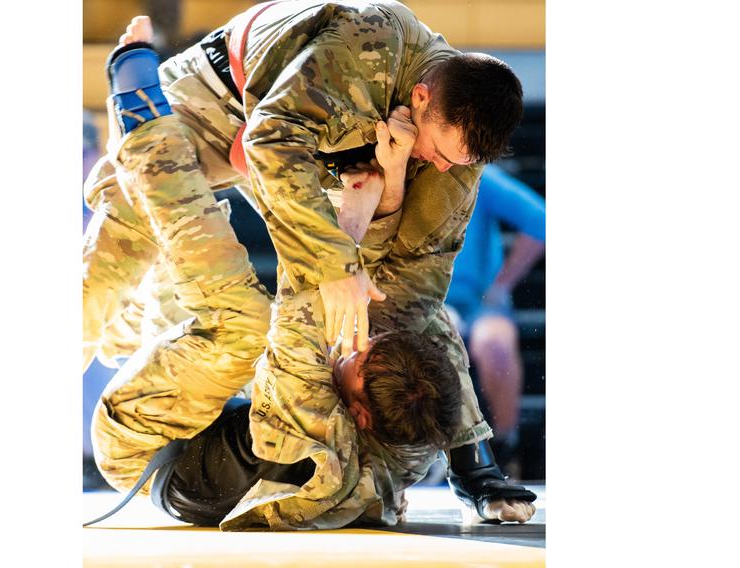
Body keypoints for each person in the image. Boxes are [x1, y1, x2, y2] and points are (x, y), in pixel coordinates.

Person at [84, 1, 535, 528]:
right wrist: (472, 459)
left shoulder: (453, 152)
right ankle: (128, 314)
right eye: (439, 151)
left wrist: (364, 222)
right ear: (420, 98)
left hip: (304, 152)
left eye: (456, 162)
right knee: (98, 294)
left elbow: (404, 296)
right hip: (220, 109)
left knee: (239, 320)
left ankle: (144, 141)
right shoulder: (366, 44)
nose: (440, 166)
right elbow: (268, 140)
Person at [445, 165, 545, 473]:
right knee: (436, 340)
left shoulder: (478, 175)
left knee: (495, 347)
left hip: (480, 302)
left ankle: (505, 445)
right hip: (429, 299)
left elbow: (540, 220)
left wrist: (501, 285)